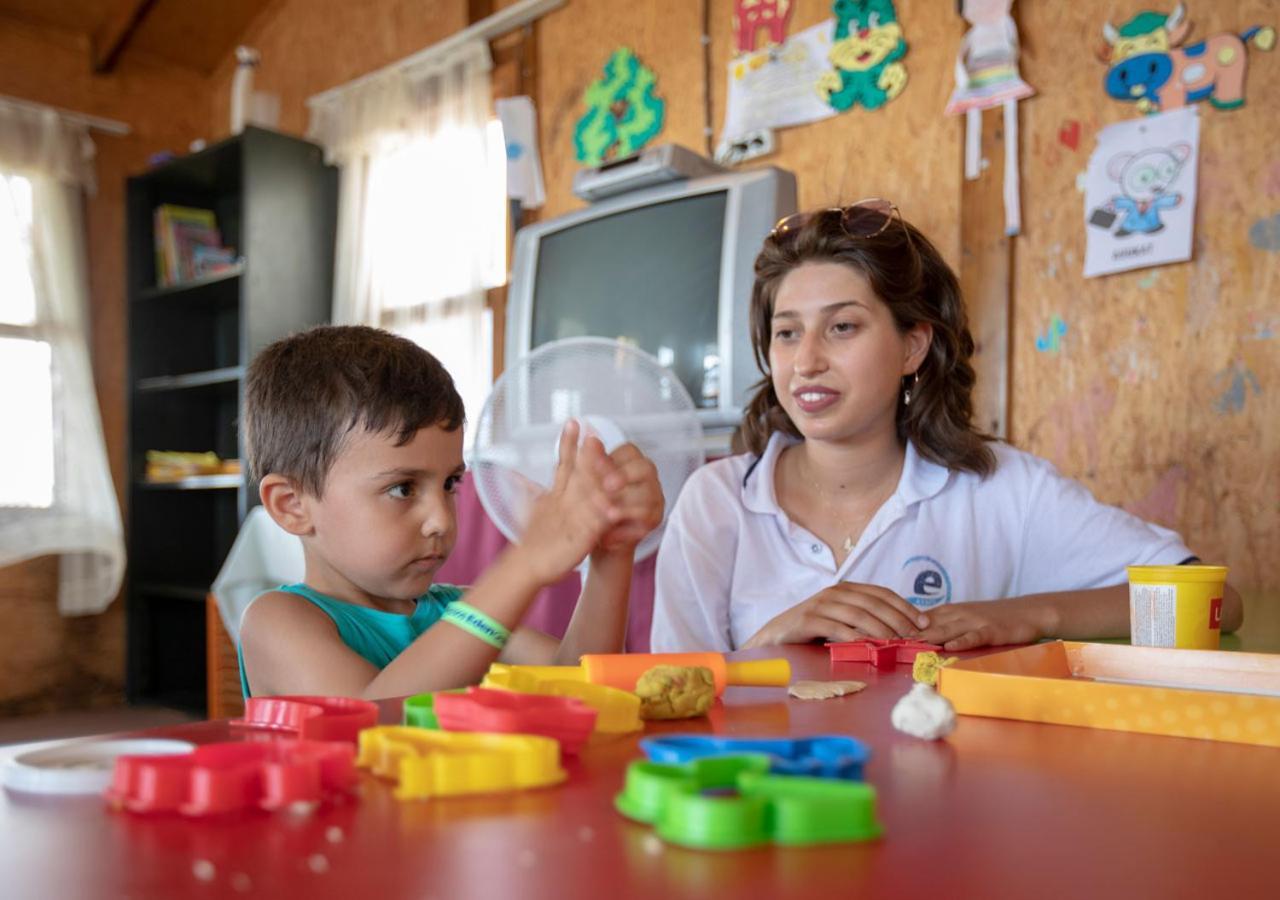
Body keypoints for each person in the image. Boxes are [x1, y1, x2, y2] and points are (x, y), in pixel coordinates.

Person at [651, 201, 1242, 653]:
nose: (805, 360)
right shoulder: (717, 500)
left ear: (913, 346)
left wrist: (1027, 615)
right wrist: (773, 640)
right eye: (786, 332)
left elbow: (1219, 602)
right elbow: (675, 697)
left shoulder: (1004, 489)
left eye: (842, 327)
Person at [238, 325, 663, 699]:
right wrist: (524, 565)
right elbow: (373, 722)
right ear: (292, 506)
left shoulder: (454, 610)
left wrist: (612, 554)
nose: (441, 518)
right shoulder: (277, 622)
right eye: (402, 488)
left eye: (450, 484)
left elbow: (580, 686)